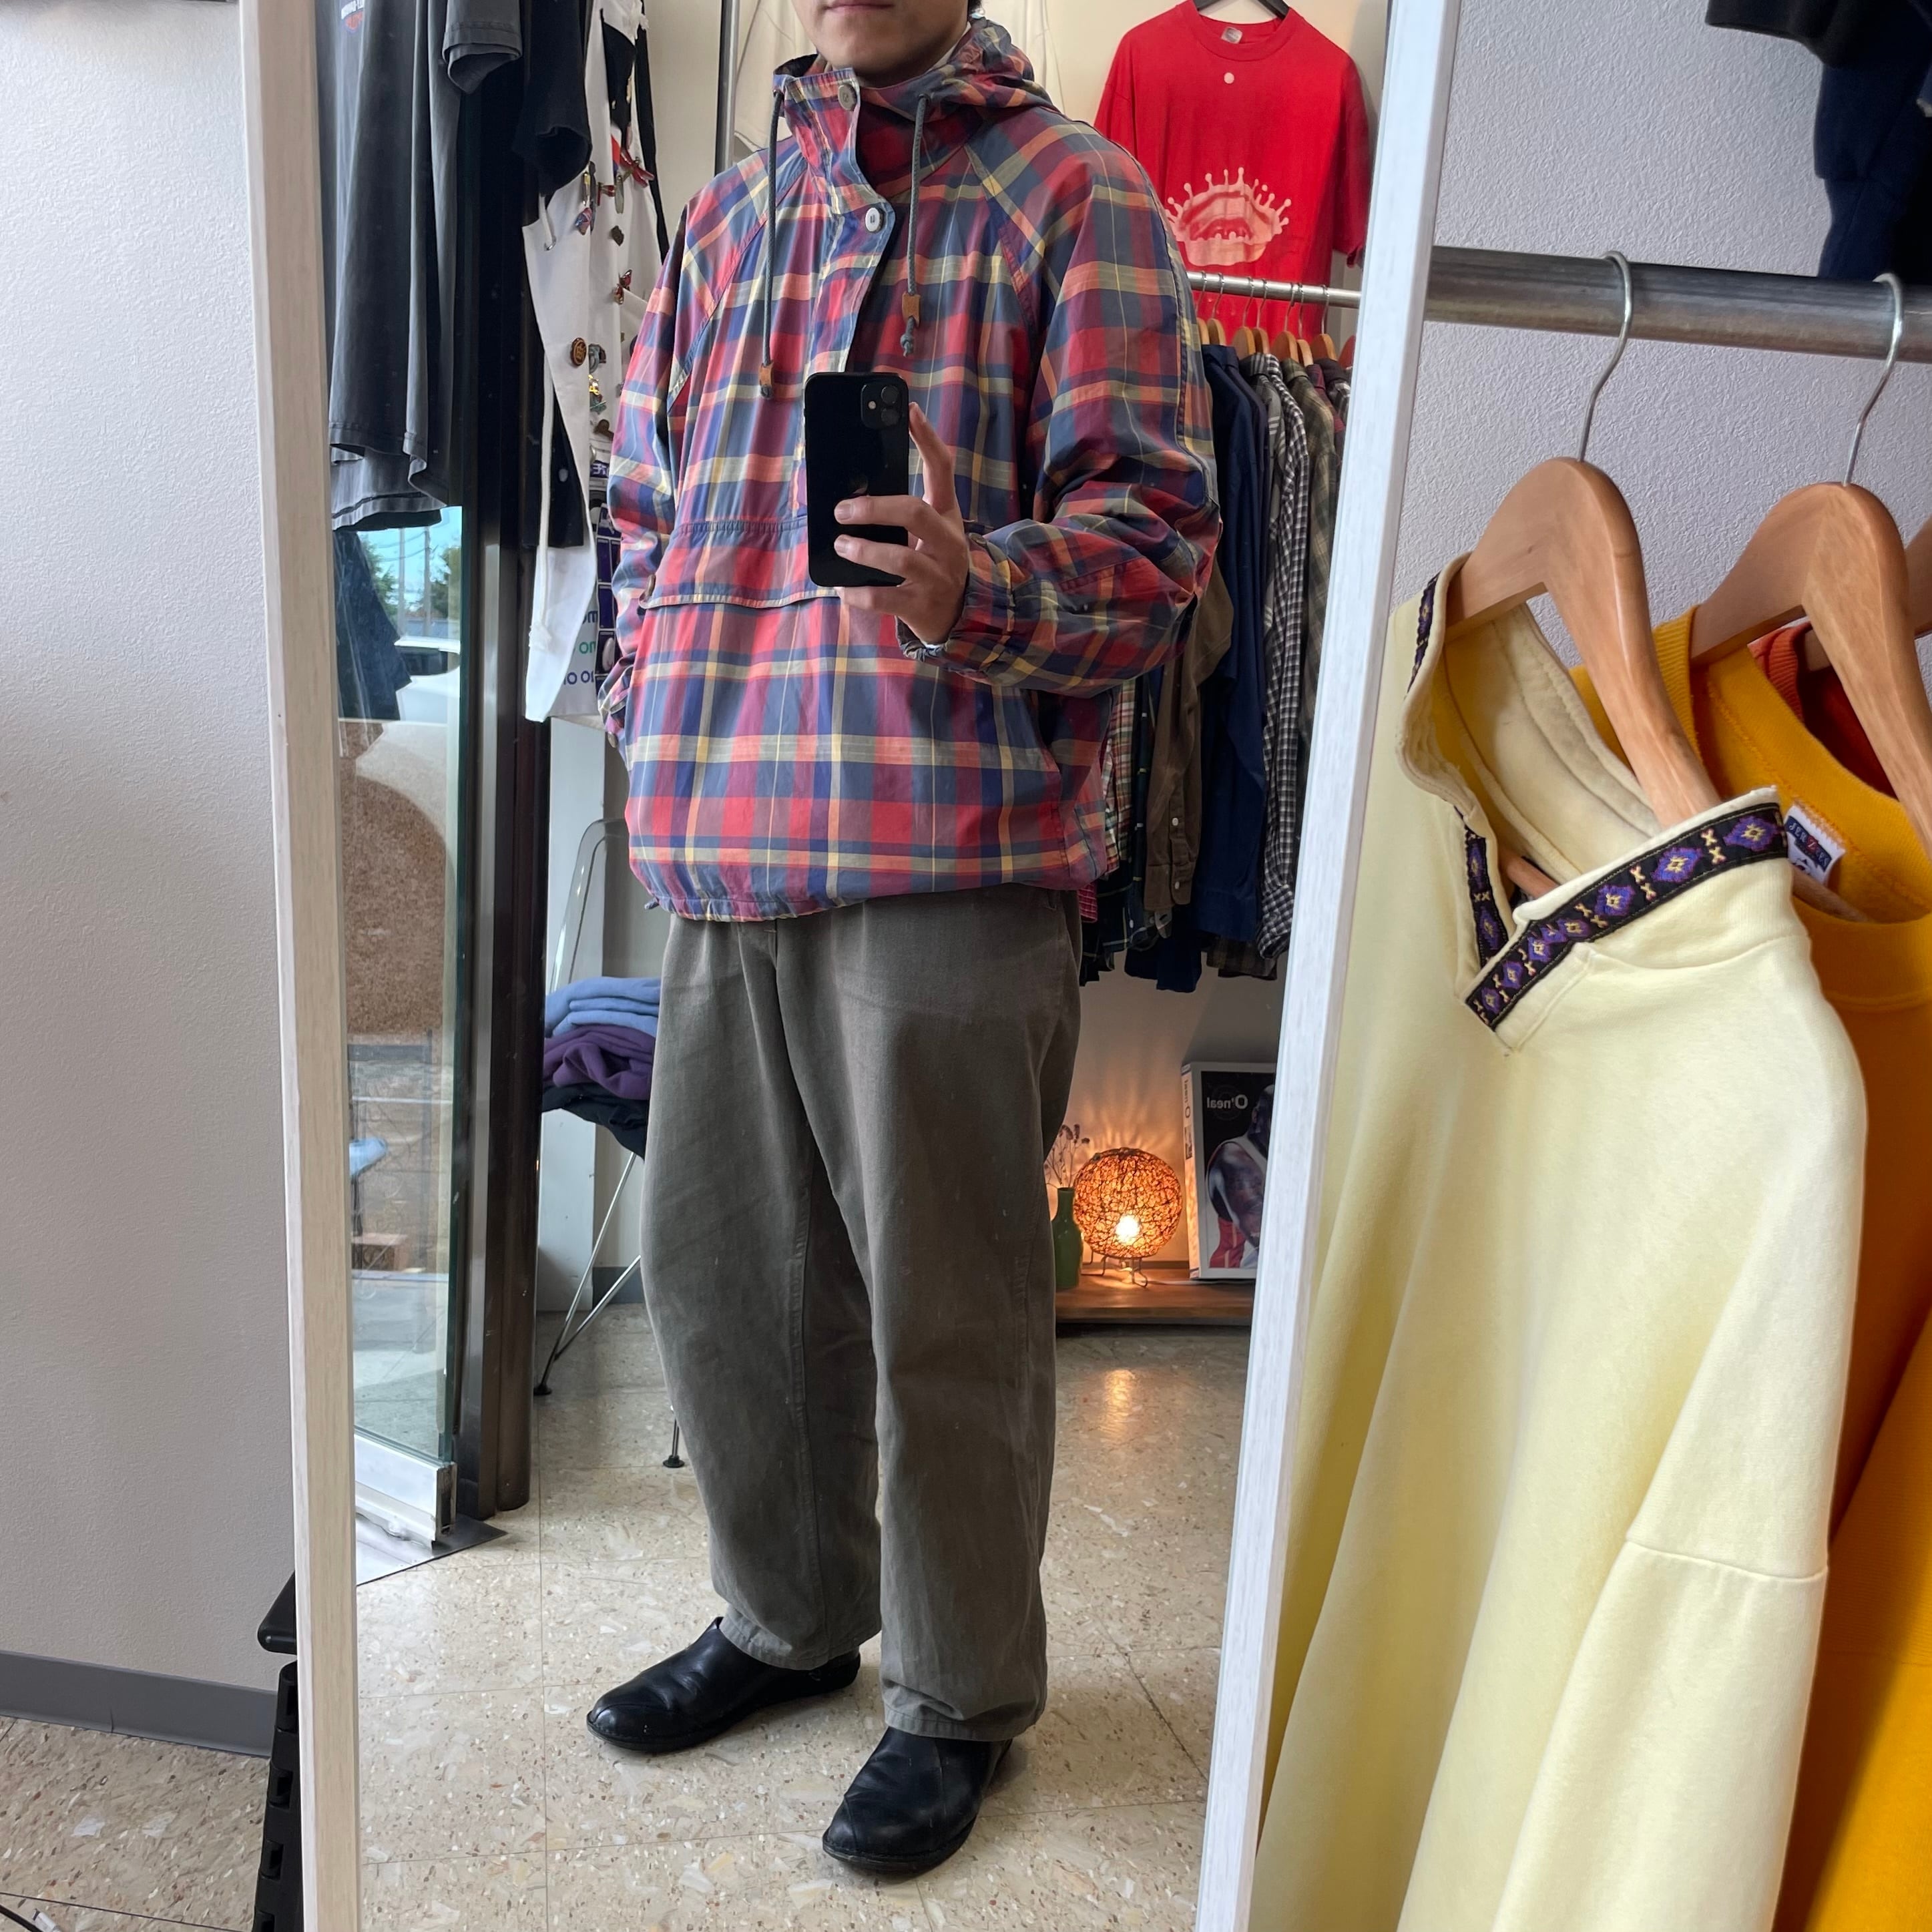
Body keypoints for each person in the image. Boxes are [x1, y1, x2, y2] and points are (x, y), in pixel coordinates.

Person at [591, 0, 1218, 1876]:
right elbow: (643, 503)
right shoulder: (725, 223)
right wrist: (644, 691)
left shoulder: (1080, 199)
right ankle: (789, 1618)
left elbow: (1160, 535)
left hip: (948, 834)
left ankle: (956, 1696)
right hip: (719, 827)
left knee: (949, 1308)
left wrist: (976, 583)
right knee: (722, 1280)